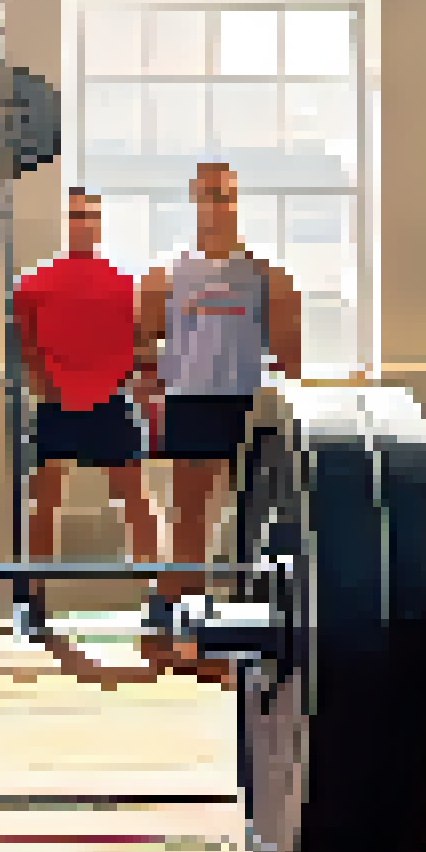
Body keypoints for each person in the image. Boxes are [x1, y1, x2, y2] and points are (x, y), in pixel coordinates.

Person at [136, 164, 301, 671]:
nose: (218, 205)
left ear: (236, 201)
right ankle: (181, 621)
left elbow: (289, 350)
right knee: (190, 520)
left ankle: (251, 625)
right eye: (209, 195)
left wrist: (285, 388)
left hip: (246, 404)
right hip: (190, 401)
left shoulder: (264, 273)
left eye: (226, 195)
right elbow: (144, 344)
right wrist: (151, 390)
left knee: (256, 519)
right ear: (194, 202)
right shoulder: (167, 275)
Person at [14, 192, 158, 571]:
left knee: (135, 497)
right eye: (76, 215)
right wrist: (44, 384)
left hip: (109, 402)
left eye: (90, 215)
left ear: (99, 222)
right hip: (57, 407)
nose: (83, 223)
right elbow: (26, 343)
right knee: (44, 502)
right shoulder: (35, 284)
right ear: (66, 222)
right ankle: (36, 607)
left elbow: (140, 342)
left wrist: (139, 379)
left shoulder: (125, 284)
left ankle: (160, 604)